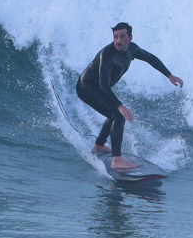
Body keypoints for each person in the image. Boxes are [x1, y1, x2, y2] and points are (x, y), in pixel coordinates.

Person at [77, 22, 183, 170]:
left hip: (100, 89)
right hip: (86, 88)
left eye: (122, 37)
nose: (118, 41)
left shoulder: (132, 50)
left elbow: (150, 58)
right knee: (118, 115)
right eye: (115, 37)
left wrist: (170, 75)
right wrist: (120, 106)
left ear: (130, 37)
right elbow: (103, 86)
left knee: (113, 114)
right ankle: (116, 160)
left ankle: (99, 146)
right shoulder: (107, 55)